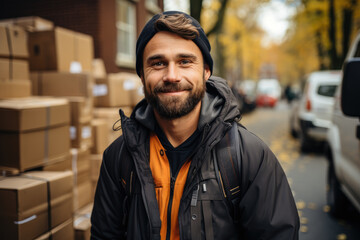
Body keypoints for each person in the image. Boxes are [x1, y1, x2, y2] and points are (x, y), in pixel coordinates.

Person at [91, 11, 299, 240]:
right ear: (141, 74)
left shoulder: (249, 156)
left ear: (206, 71)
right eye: (158, 63)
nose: (172, 75)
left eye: (185, 62)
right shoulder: (118, 158)